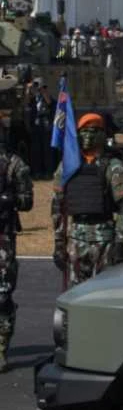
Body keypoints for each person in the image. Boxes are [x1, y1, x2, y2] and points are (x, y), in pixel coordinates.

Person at [52, 113, 123, 287]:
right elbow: (58, 205)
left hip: (104, 240)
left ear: (103, 135)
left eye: (93, 131)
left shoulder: (112, 165)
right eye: (84, 131)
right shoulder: (68, 166)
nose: (88, 136)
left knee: (104, 292)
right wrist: (59, 243)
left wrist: (120, 242)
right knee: (75, 294)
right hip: (76, 239)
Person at [0, 126, 32, 372]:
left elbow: (27, 201)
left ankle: (1, 347)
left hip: (3, 238)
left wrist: (9, 199)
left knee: (2, 295)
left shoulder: (14, 164)